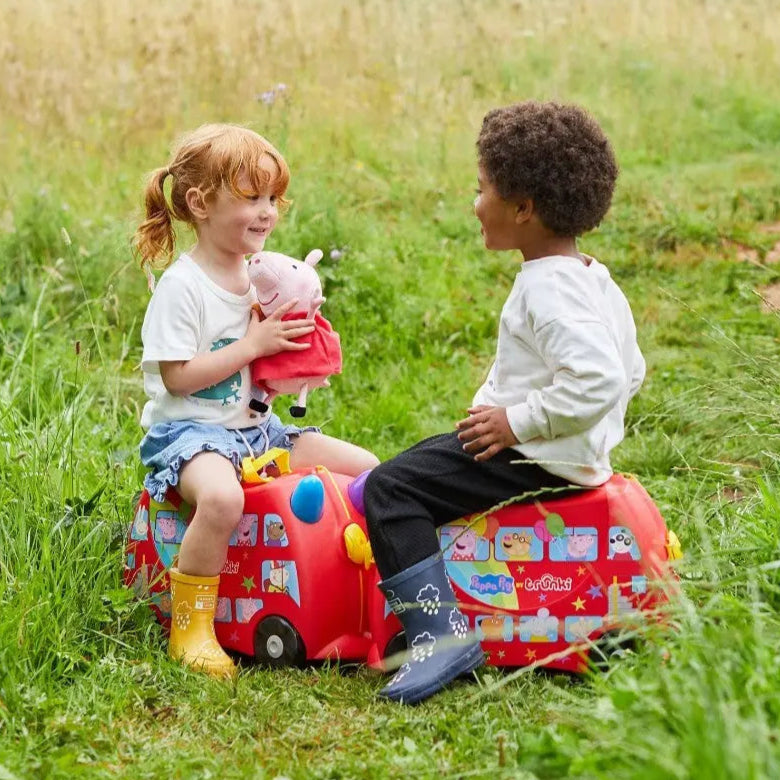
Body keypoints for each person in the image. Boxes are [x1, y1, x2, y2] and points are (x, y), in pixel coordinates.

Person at [362, 101, 645, 705]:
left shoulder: (548, 287)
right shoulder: (590, 274)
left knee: (391, 488)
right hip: (559, 452)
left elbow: (598, 378)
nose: (474, 203)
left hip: (535, 458)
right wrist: (584, 434)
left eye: (481, 189)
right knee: (424, 460)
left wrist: (520, 423)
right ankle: (444, 603)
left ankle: (438, 637)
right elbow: (631, 370)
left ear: (523, 209)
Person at [133, 124, 379, 678]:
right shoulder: (184, 286)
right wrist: (251, 345)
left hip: (257, 433)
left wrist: (292, 361)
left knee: (365, 469)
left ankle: (363, 596)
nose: (268, 212)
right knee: (221, 500)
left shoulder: (259, 275)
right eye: (251, 197)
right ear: (200, 203)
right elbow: (177, 378)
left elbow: (262, 369)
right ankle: (190, 626)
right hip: (190, 435)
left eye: (273, 198)